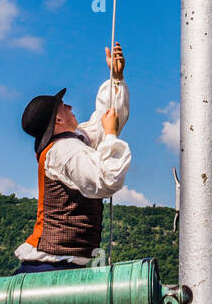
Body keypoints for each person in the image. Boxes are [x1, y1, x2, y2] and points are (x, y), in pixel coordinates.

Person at [14, 44, 130, 273]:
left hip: (59, 264)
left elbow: (104, 120)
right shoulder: (65, 150)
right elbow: (106, 181)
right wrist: (111, 135)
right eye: (63, 106)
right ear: (57, 120)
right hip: (52, 266)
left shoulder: (70, 143)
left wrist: (116, 79)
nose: (70, 106)